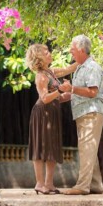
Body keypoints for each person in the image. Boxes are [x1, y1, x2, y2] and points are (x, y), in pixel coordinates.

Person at [25, 43, 77, 195]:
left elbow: (69, 69)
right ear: (39, 57)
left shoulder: (51, 72)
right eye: (46, 52)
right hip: (42, 113)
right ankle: (40, 184)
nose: (50, 53)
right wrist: (60, 90)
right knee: (41, 147)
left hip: (52, 113)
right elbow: (45, 98)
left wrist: (83, 59)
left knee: (52, 147)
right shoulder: (41, 76)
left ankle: (49, 184)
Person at [59, 35, 103, 195]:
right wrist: (63, 96)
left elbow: (92, 92)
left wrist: (71, 89)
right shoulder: (80, 67)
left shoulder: (92, 67)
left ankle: (82, 186)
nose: (71, 52)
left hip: (91, 112)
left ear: (80, 49)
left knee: (86, 149)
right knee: (88, 149)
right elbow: (80, 92)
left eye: (72, 49)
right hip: (83, 112)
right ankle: (95, 185)